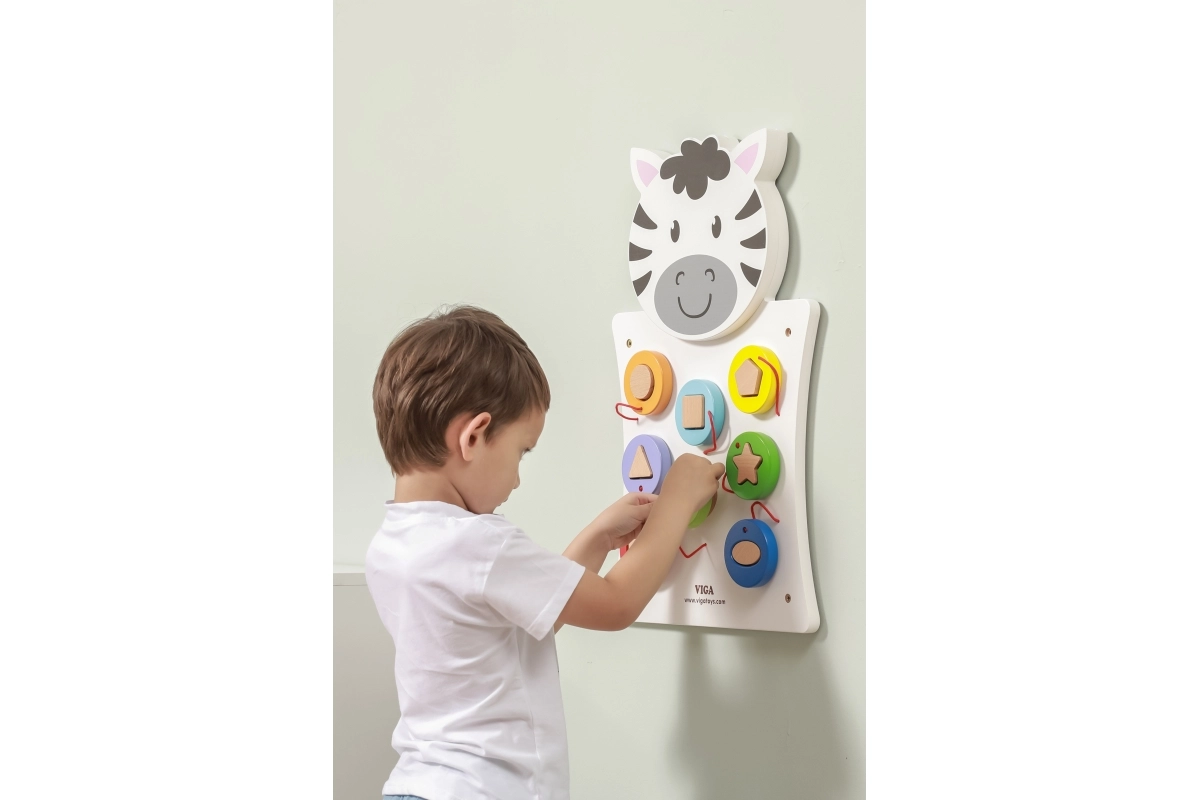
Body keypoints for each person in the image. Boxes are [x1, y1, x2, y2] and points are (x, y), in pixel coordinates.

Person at [365, 305, 723, 800]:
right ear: (473, 436)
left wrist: (598, 537)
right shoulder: (477, 544)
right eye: (521, 451)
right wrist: (678, 501)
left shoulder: (393, 545)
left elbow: (524, 621)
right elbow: (616, 605)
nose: (516, 479)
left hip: (417, 785)